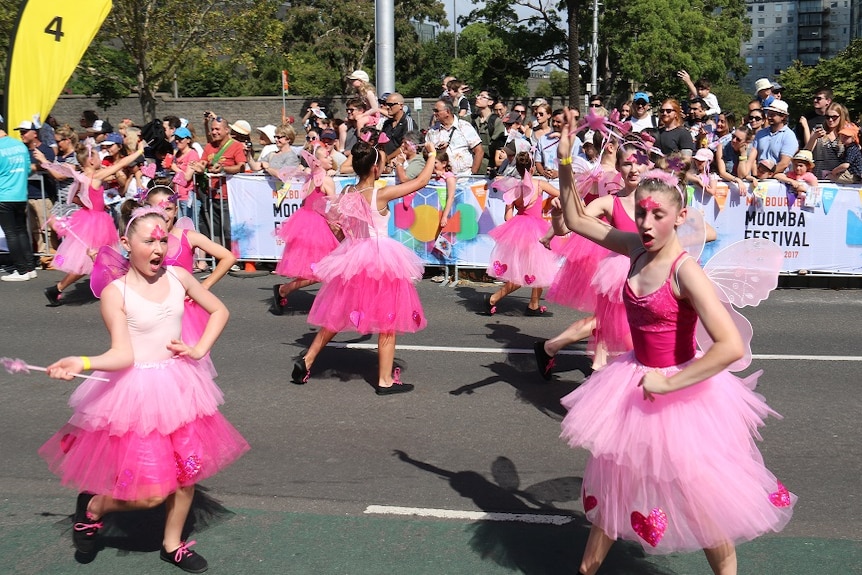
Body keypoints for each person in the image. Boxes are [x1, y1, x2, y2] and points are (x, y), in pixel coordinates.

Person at [554, 108, 794, 575]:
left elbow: (728, 346)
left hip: (681, 391)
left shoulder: (687, 273)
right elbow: (577, 221)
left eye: (657, 215)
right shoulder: (634, 247)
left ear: (680, 217)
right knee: (618, 475)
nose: (645, 223)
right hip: (631, 380)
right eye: (641, 212)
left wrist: (670, 384)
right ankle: (587, 569)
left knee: (699, 494)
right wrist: (565, 165)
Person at [39, 206, 249, 571]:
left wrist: (198, 349)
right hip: (138, 395)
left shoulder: (180, 276)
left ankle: (172, 544)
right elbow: (122, 354)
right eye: (148, 240)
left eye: (163, 239)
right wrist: (82, 362)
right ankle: (95, 506)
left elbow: (219, 311)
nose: (158, 248)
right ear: (126, 243)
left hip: (181, 388)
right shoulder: (115, 293)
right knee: (150, 494)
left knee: (187, 476)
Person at [291, 140, 437, 394]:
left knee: (338, 312)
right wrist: (432, 155)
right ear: (375, 170)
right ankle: (384, 380)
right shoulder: (380, 194)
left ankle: (307, 360)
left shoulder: (347, 192)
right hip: (380, 258)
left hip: (354, 255)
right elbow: (421, 182)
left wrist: (343, 246)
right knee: (387, 318)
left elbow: (336, 224)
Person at [539, 141, 641, 376]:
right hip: (621, 275)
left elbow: (699, 229)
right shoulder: (610, 202)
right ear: (619, 168)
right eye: (627, 164)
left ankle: (581, 361)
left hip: (652, 275)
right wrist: (556, 214)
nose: (634, 169)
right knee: (617, 331)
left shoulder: (659, 198)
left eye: (639, 163)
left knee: (609, 329)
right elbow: (568, 226)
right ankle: (602, 375)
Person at [43, 142, 147, 306]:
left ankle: (112, 288)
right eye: (98, 156)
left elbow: (77, 198)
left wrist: (94, 204)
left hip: (88, 217)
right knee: (98, 258)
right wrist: (140, 151)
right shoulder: (95, 177)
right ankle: (57, 288)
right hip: (96, 222)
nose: (101, 158)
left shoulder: (82, 177)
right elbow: (121, 164)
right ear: (91, 161)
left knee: (100, 258)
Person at [484, 151, 560, 316]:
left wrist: (514, 230)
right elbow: (561, 195)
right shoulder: (539, 184)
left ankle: (533, 304)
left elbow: (507, 216)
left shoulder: (513, 188)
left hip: (519, 229)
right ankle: (494, 298)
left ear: (517, 169)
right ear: (532, 168)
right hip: (536, 230)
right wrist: (552, 202)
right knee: (532, 270)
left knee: (534, 269)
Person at [272, 150, 339, 315]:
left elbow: (308, 202)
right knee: (322, 270)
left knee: (326, 269)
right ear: (316, 161)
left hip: (306, 223)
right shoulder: (324, 179)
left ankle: (331, 302)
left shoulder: (311, 178)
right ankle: (283, 290)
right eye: (326, 156)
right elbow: (335, 206)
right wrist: (338, 223)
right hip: (316, 226)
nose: (330, 157)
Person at [190, 116, 246, 252]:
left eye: (217, 129)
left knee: (229, 228)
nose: (214, 132)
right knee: (215, 229)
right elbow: (203, 162)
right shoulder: (209, 146)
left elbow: (241, 166)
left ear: (227, 130)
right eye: (212, 129)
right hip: (211, 195)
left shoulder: (236, 146)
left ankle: (233, 258)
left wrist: (223, 169)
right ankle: (220, 256)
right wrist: (199, 168)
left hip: (228, 196)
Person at [0, 120, 38, 281]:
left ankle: (21, 270)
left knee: (11, 234)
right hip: (21, 195)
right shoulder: (20, 146)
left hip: (4, 195)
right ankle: (30, 267)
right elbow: (28, 170)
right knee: (21, 231)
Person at [425, 100, 483, 175]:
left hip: (464, 178)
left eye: (436, 111)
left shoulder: (464, 127)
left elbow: (479, 151)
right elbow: (426, 154)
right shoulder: (432, 132)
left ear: (447, 112)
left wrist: (473, 173)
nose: (434, 113)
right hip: (441, 178)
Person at [804, 102, 848, 179]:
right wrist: (814, 137)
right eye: (827, 117)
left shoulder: (846, 133)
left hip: (839, 178)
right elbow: (806, 152)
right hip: (819, 176)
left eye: (834, 117)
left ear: (841, 117)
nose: (830, 120)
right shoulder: (818, 130)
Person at [753, 99, 796, 176]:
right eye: (769, 114)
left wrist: (768, 175)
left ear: (783, 117)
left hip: (777, 180)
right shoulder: (760, 133)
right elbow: (753, 158)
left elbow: (784, 163)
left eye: (773, 115)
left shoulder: (789, 136)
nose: (769, 117)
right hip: (758, 176)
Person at [164, 126, 200, 219]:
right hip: (177, 195)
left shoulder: (192, 154)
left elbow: (187, 177)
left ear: (188, 140)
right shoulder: (177, 154)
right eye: (176, 139)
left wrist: (174, 168)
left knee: (190, 227)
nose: (177, 141)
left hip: (188, 197)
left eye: (180, 139)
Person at [715, 126, 757, 193]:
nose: (734, 140)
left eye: (738, 139)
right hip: (727, 184)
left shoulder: (752, 151)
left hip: (744, 188)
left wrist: (743, 154)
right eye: (733, 136)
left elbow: (742, 175)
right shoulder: (722, 147)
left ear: (746, 142)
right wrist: (736, 180)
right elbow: (722, 172)